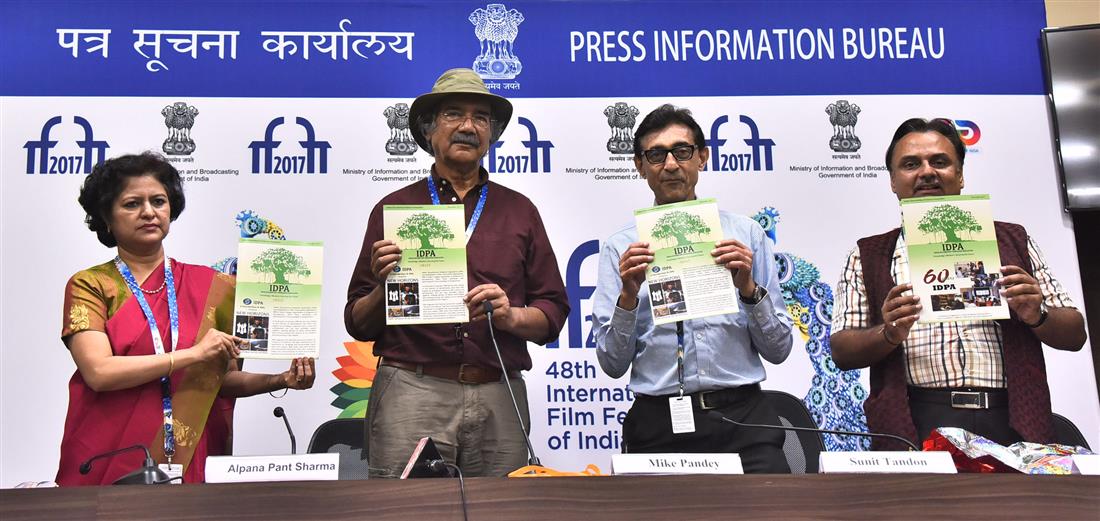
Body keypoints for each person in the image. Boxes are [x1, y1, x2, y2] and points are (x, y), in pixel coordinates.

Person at [345, 68, 569, 478]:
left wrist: (512, 315)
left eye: (480, 117)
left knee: (503, 513)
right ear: (429, 131)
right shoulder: (393, 210)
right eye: (453, 114)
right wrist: (383, 287)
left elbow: (552, 312)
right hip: (411, 390)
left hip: (499, 391)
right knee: (407, 513)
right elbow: (357, 323)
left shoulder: (520, 211)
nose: (468, 126)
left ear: (492, 134)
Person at [58, 153, 316, 486]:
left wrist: (280, 380)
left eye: (158, 201)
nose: (149, 212)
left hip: (193, 456)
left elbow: (221, 381)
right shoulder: (90, 285)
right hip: (110, 457)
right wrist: (193, 355)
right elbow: (99, 372)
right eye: (132, 204)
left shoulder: (217, 287)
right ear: (106, 218)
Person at [830, 118, 1086, 449]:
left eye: (940, 161)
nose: (926, 172)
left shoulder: (1012, 239)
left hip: (1012, 417)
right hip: (915, 420)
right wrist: (889, 332)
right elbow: (842, 351)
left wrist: (1038, 313)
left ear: (960, 175)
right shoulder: (868, 254)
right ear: (893, 181)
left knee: (1015, 504)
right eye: (910, 164)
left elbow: (1075, 334)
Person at [591, 104, 795, 473]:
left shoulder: (745, 236)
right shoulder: (621, 249)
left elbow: (780, 349)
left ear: (702, 157)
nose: (670, 164)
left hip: (744, 420)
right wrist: (627, 297)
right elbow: (611, 364)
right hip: (658, 423)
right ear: (640, 166)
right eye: (656, 154)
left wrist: (748, 288)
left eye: (682, 151)